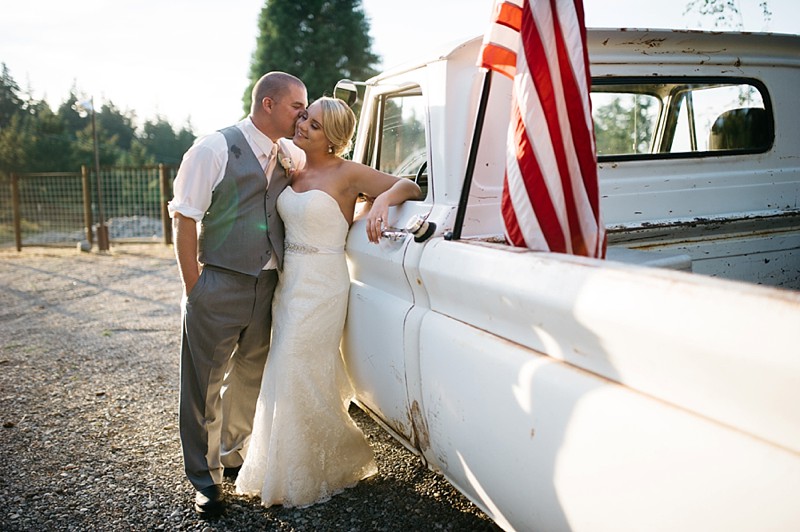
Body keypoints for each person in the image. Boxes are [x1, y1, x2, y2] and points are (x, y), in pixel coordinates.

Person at [235, 97, 421, 508]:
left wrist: (383, 202)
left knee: (297, 364)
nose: (303, 125)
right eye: (304, 117)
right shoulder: (293, 165)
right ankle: (284, 465)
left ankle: (309, 469)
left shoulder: (346, 171)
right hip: (290, 283)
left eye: (315, 125)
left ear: (334, 137)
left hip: (323, 283)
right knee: (286, 368)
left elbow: (409, 185)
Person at [168, 72, 308, 517]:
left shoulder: (288, 153)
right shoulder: (212, 148)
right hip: (220, 282)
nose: (302, 115)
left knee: (249, 375)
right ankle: (204, 479)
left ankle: (232, 453)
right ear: (268, 104)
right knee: (202, 386)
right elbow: (184, 219)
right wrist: (195, 288)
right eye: (296, 106)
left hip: (267, 285)